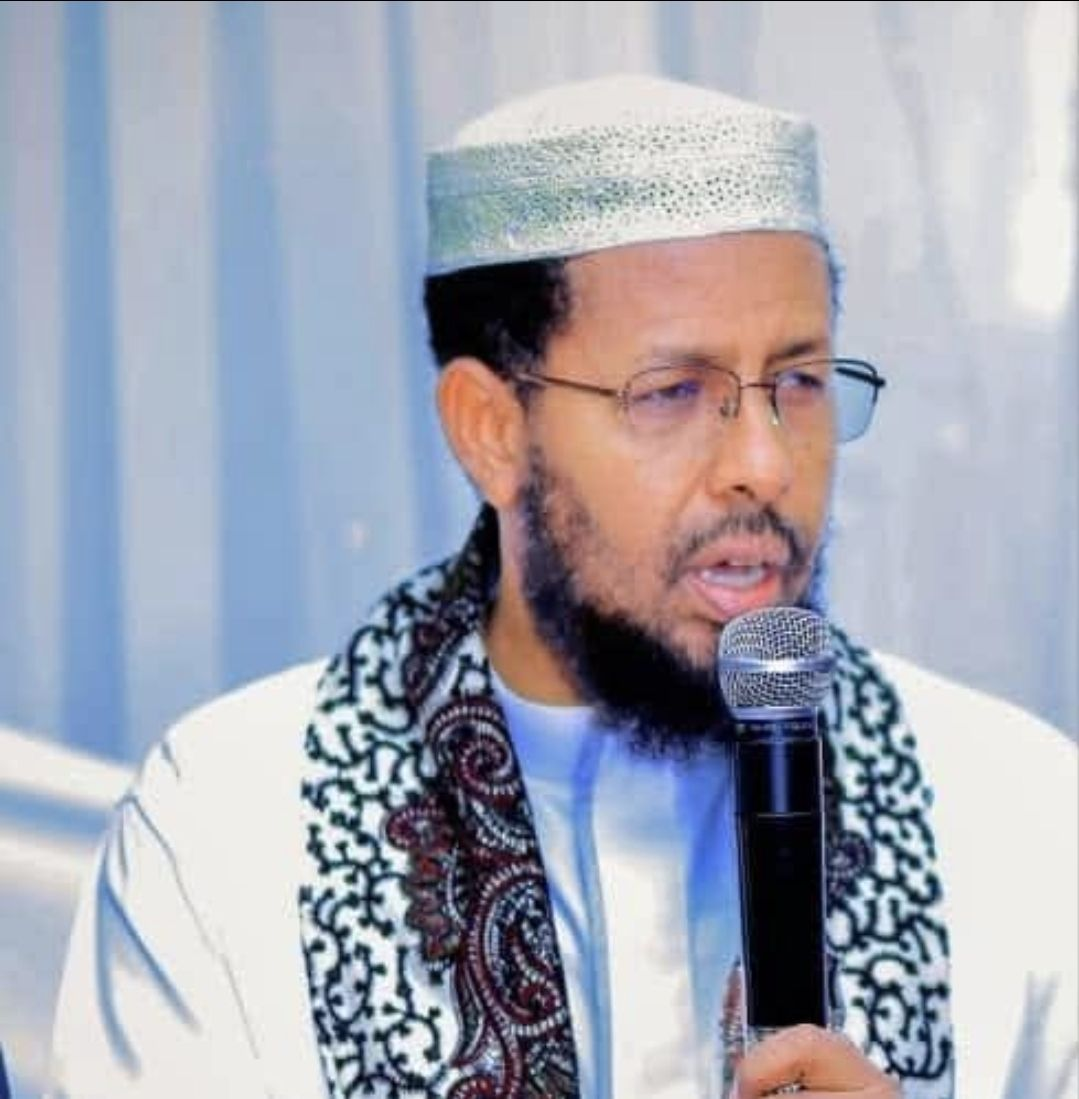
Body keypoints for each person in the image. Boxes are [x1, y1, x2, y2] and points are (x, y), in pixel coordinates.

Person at [48, 74, 1076, 1099]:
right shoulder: (227, 828)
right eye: (673, 393)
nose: (764, 464)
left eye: (798, 382)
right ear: (490, 431)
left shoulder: (1016, 811)